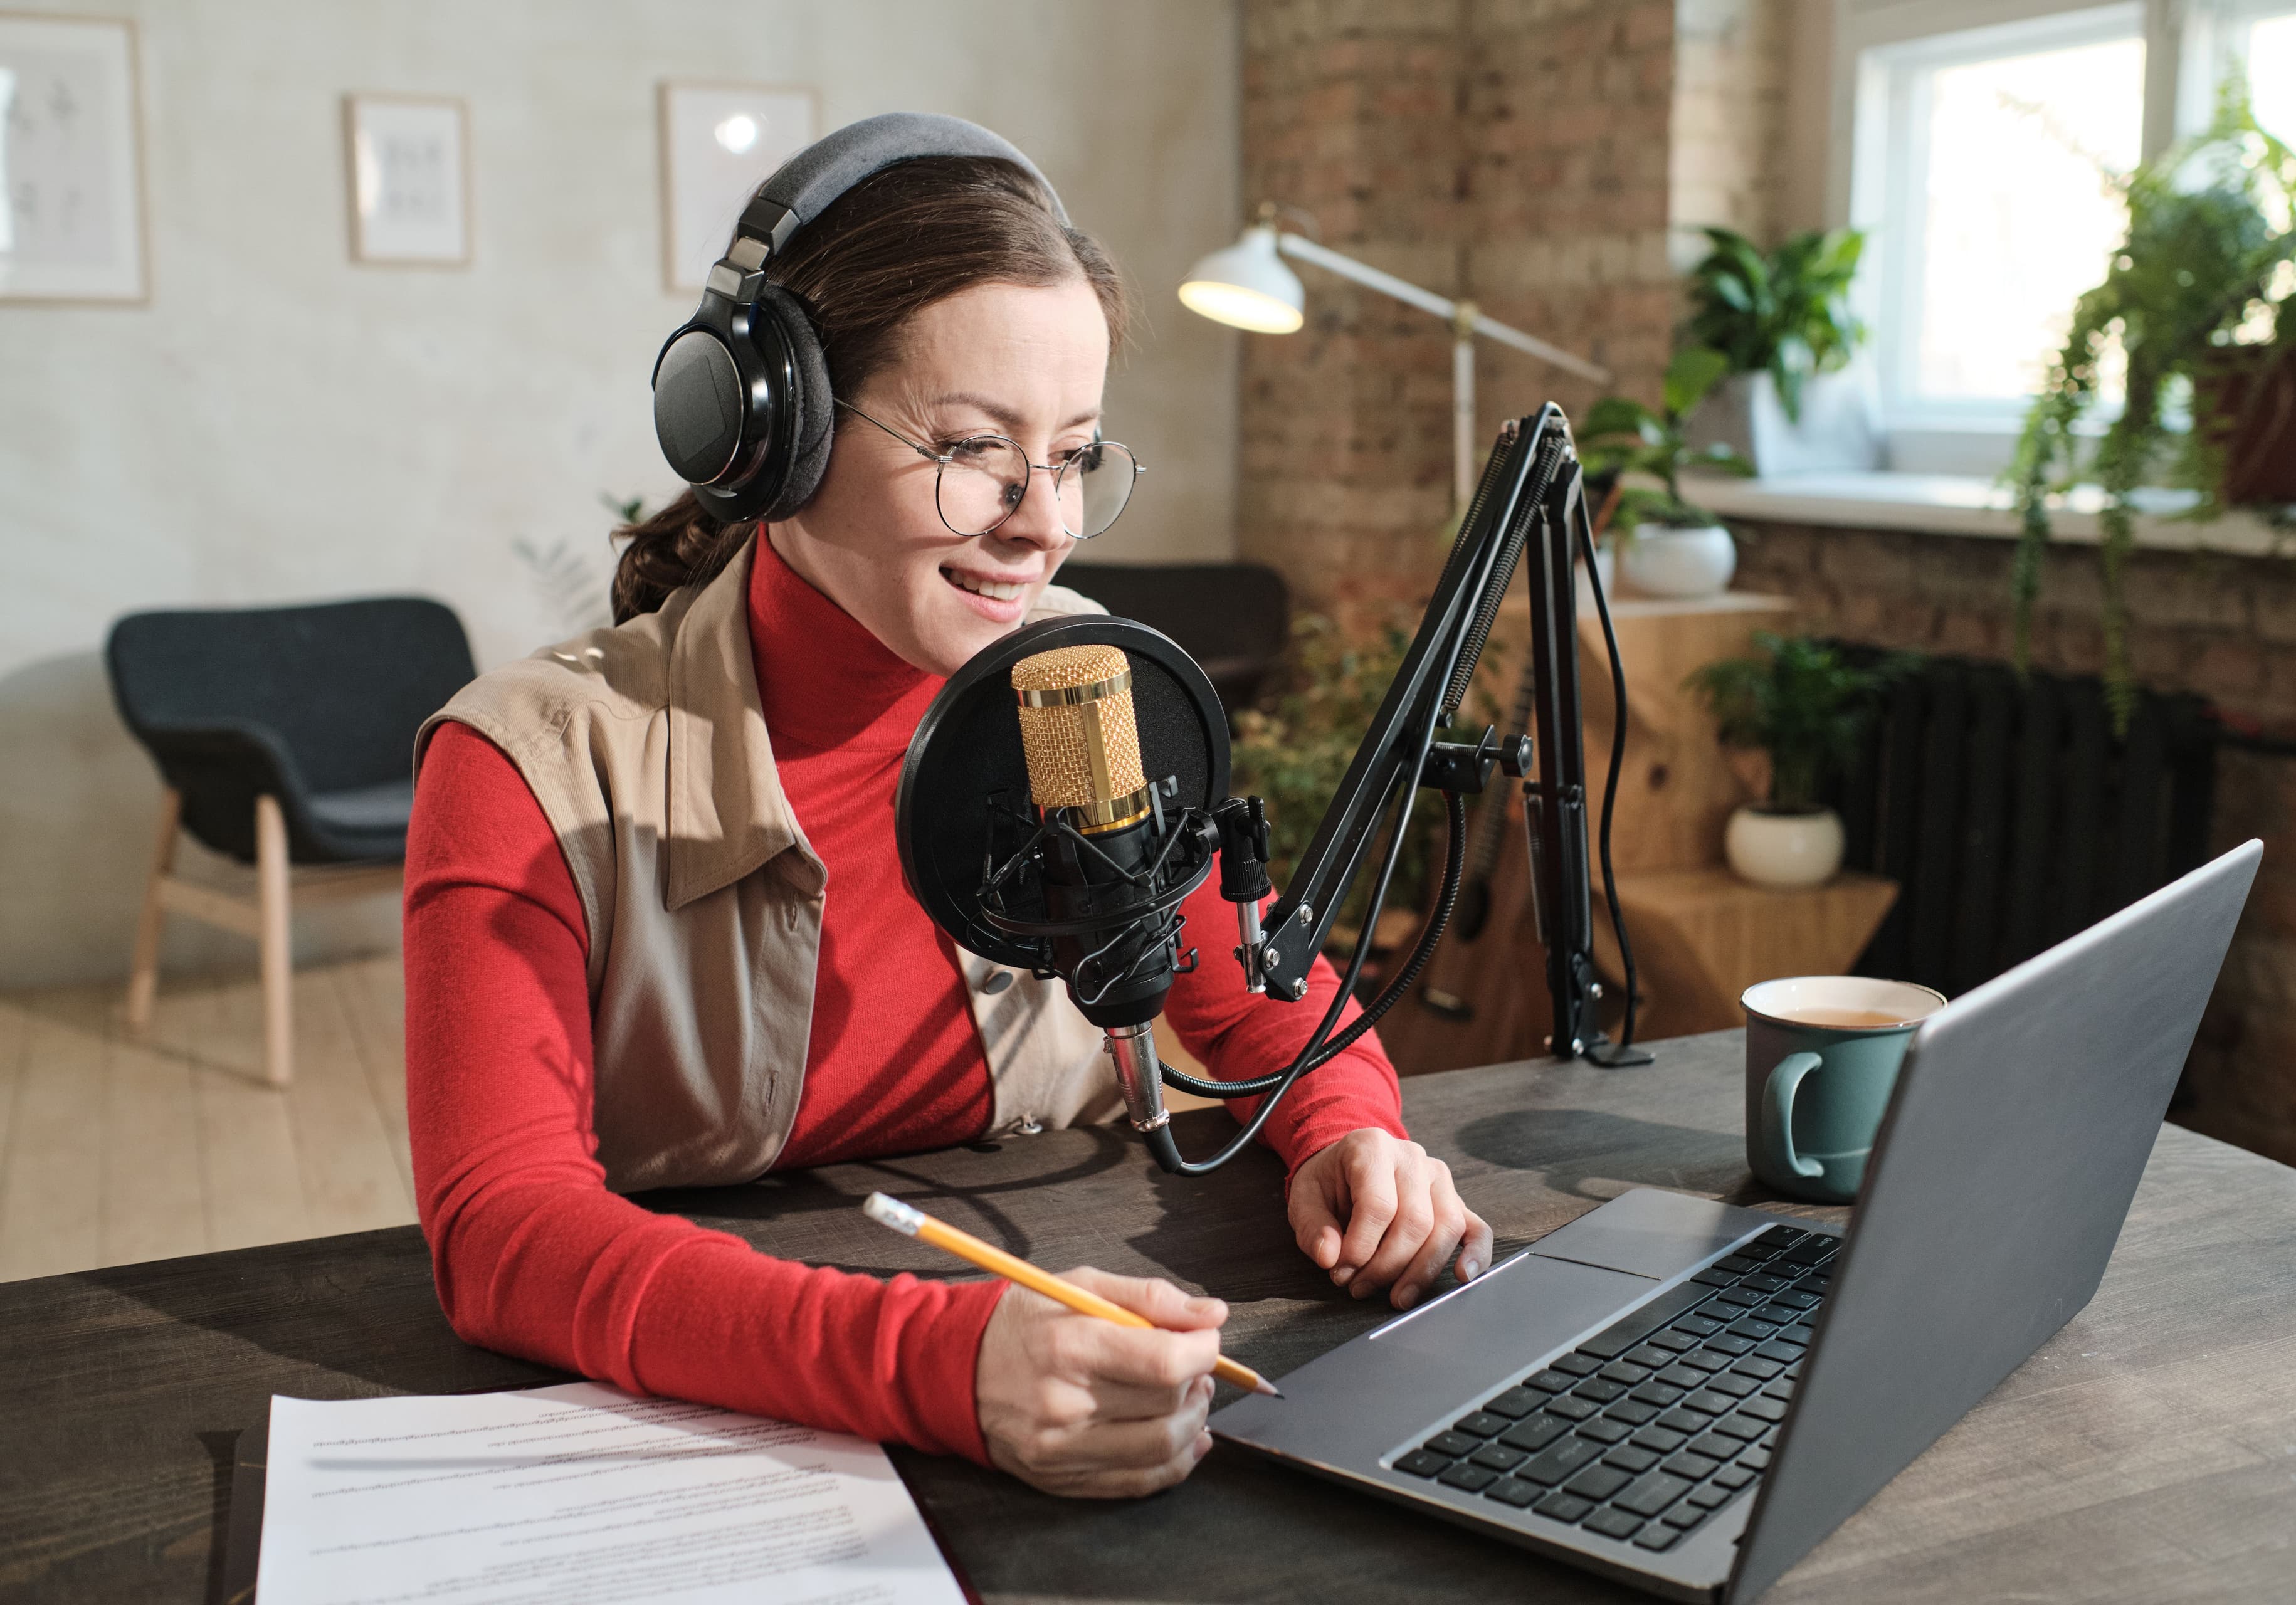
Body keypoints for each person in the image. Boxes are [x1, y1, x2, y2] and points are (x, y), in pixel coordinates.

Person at [403, 118, 1492, 1502]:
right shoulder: (531, 764)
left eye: (1078, 455)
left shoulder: (1085, 684)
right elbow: (502, 1230)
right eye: (976, 446)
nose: (1043, 523)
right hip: (713, 1438)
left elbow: (1262, 1001)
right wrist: (932, 1360)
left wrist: (1354, 1132)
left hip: (1065, 1373)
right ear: (769, 435)